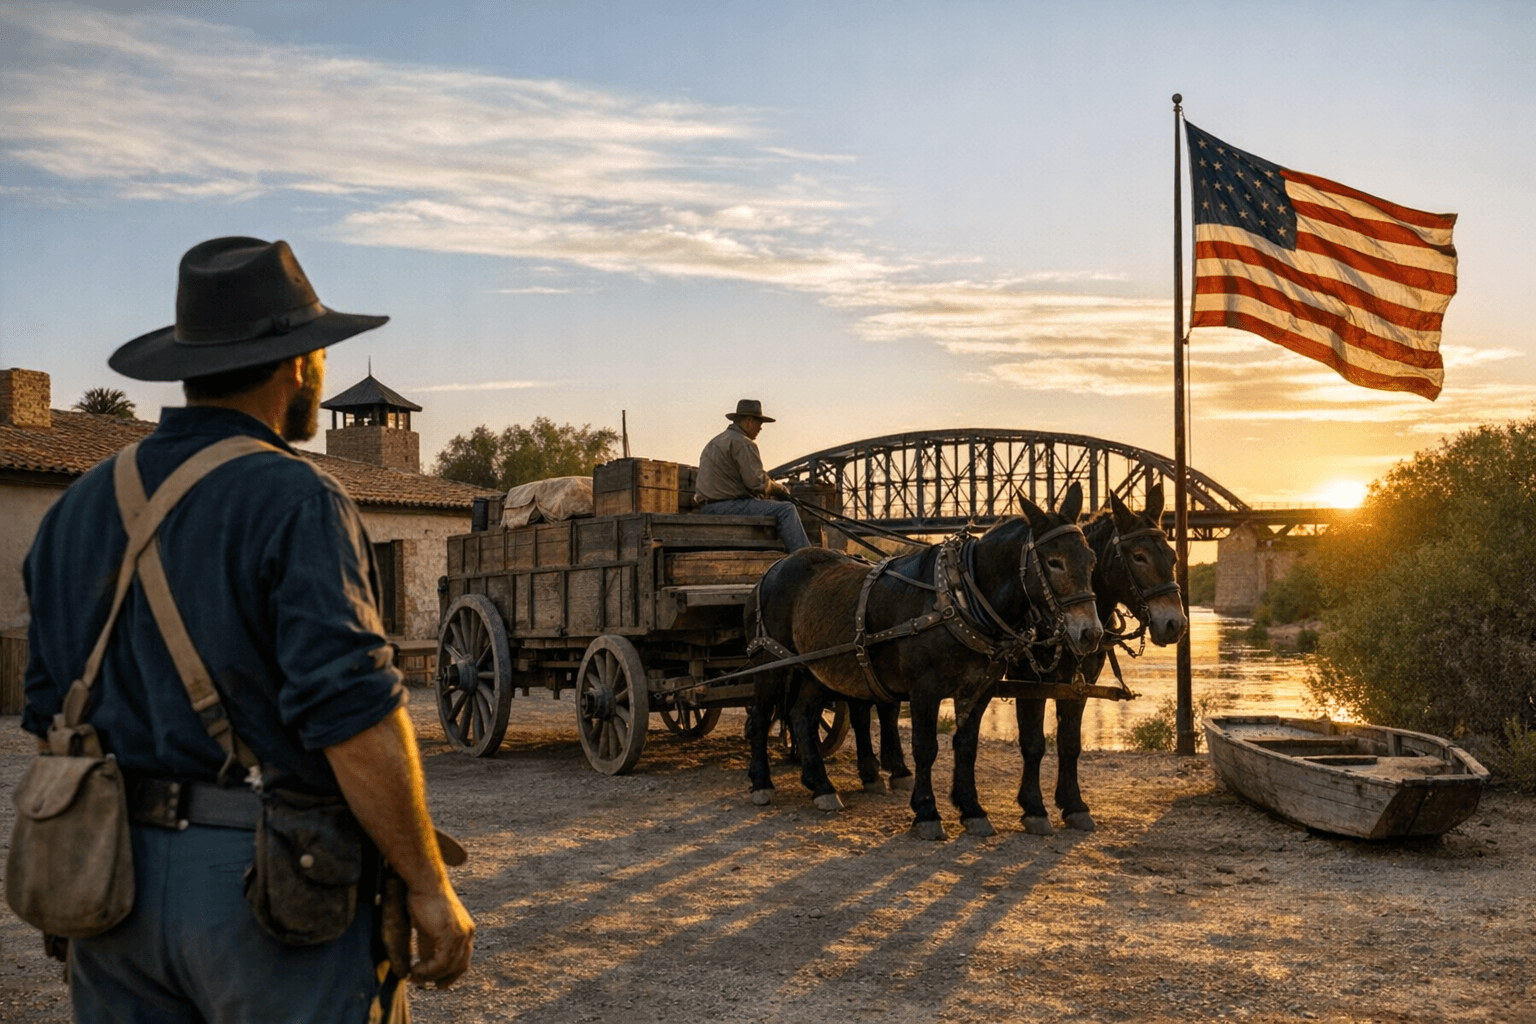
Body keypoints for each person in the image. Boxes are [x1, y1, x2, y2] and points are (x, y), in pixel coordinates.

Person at [20, 237, 474, 1022]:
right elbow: (355, 719)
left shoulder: (76, 508)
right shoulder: (297, 497)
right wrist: (430, 885)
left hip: (107, 882)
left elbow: (46, 708)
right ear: (298, 366)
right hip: (264, 884)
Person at [694, 399, 812, 552]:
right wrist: (779, 489)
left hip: (707, 508)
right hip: (729, 507)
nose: (761, 428)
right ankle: (806, 558)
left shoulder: (714, 442)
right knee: (786, 509)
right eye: (759, 423)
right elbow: (756, 483)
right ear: (749, 421)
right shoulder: (744, 443)